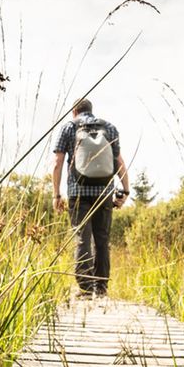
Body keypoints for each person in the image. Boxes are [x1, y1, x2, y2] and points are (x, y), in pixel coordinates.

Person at [52, 98, 130, 297]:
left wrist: (56, 194)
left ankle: (86, 289)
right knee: (102, 240)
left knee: (82, 239)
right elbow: (119, 162)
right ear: (91, 110)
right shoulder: (110, 128)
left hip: (78, 194)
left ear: (74, 112)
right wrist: (126, 190)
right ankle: (101, 289)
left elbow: (57, 163)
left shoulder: (69, 128)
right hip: (104, 192)